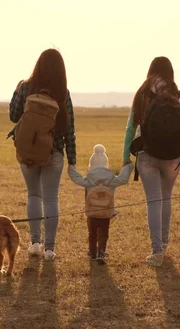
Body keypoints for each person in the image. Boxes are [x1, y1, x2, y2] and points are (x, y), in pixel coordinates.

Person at [122, 56, 180, 267]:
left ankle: (156, 251)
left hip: (147, 154)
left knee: (153, 200)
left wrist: (126, 157)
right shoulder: (178, 95)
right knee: (166, 198)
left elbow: (130, 128)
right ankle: (164, 243)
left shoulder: (143, 93)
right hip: (173, 156)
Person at [8, 48, 76, 261]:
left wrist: (18, 91)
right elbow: (69, 129)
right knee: (51, 198)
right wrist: (72, 159)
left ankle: (35, 243)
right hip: (54, 152)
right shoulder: (63, 93)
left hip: (28, 150)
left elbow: (13, 115)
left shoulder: (26, 86)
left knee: (33, 195)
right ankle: (49, 249)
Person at [68, 144, 134, 265]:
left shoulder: (89, 180)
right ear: (106, 164)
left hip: (92, 212)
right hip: (105, 212)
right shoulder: (112, 179)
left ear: (91, 165)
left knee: (92, 233)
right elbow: (123, 179)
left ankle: (92, 252)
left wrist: (71, 167)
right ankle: (101, 252)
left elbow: (76, 178)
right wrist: (129, 166)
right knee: (103, 233)